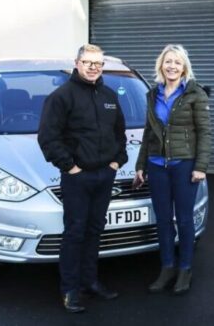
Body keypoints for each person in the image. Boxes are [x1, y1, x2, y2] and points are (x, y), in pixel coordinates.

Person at [38, 44, 128, 313]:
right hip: (77, 177)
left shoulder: (110, 96)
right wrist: (70, 167)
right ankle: (70, 290)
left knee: (95, 230)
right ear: (77, 63)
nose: (93, 67)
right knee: (75, 233)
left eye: (98, 63)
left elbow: (119, 134)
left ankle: (90, 282)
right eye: (88, 62)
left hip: (105, 175)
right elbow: (48, 138)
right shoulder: (61, 97)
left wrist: (116, 162)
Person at [134, 44, 211, 295]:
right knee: (163, 220)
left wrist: (200, 166)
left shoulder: (194, 93)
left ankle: (185, 269)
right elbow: (148, 133)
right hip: (157, 165)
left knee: (185, 219)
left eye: (177, 62)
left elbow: (204, 133)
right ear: (161, 65)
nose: (172, 66)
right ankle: (167, 267)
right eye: (168, 62)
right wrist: (140, 165)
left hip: (184, 165)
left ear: (184, 67)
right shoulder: (153, 94)